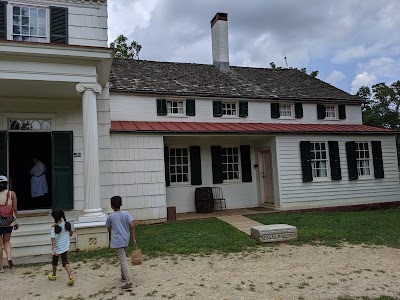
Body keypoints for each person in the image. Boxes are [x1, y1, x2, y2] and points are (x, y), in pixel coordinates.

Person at [106, 196, 137, 291]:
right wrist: (134, 238)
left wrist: (111, 232)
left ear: (112, 206)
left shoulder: (110, 216)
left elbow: (108, 228)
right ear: (121, 204)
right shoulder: (126, 214)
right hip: (125, 239)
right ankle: (123, 276)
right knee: (122, 257)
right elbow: (132, 226)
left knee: (122, 260)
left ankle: (128, 281)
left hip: (117, 241)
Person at [48, 208, 74, 286]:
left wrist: (53, 248)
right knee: (65, 261)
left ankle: (54, 274)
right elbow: (71, 233)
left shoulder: (53, 228)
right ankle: (70, 276)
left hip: (57, 247)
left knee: (54, 262)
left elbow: (53, 239)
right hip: (64, 246)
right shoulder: (66, 225)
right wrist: (69, 233)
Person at [0, 175, 18, 273]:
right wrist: (16, 221)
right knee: (7, 242)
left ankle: (1, 267)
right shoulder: (12, 194)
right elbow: (14, 209)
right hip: (8, 221)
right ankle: (9, 258)